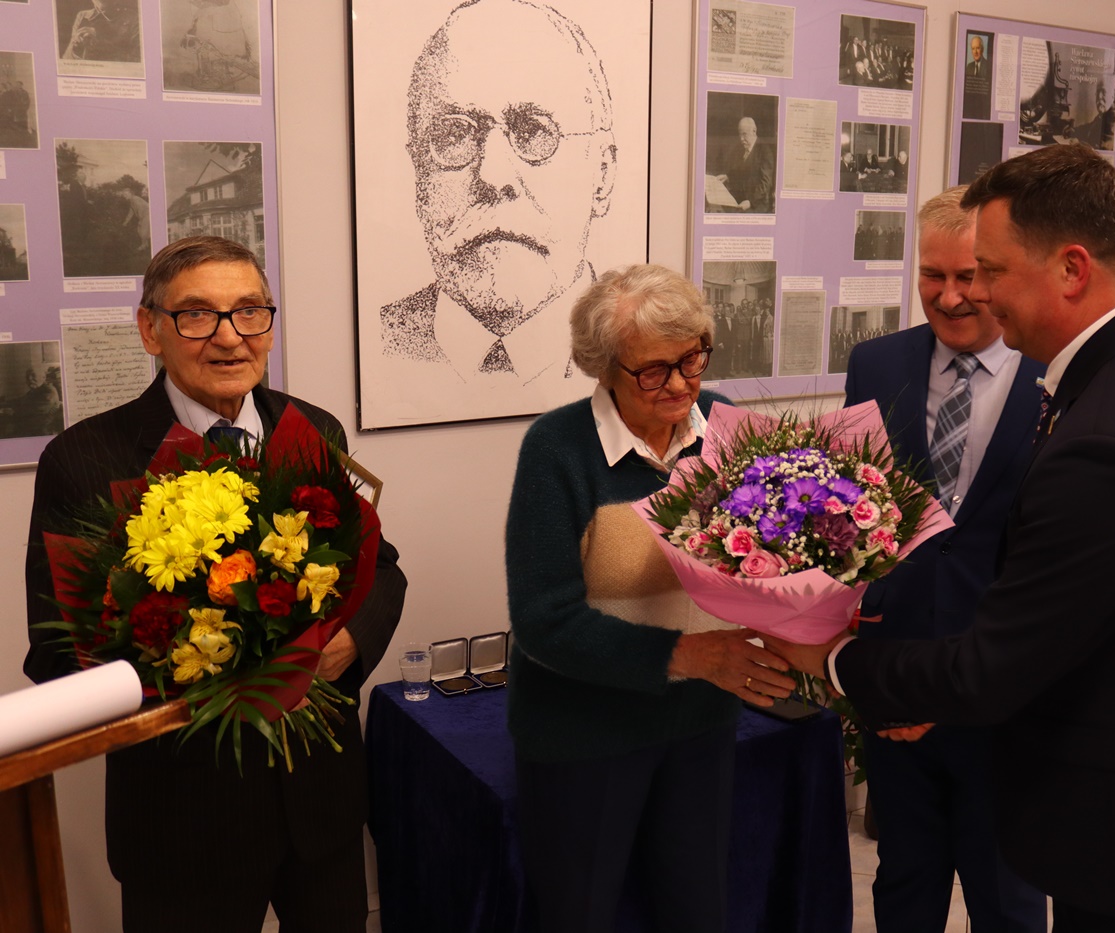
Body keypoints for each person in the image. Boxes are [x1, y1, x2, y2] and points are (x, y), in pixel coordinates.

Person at [766, 144, 1115, 931]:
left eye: (993, 271)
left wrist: (832, 660)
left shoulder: (1110, 433)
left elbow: (992, 668)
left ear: (1071, 268)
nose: (975, 294)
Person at [23, 236, 408, 933]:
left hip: (320, 806)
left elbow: (377, 566)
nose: (230, 337)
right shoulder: (82, 460)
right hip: (183, 824)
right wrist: (195, 664)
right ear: (151, 329)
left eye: (249, 312)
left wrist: (349, 642)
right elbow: (56, 651)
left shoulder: (311, 428)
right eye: (197, 315)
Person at [504, 264, 795, 933]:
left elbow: (766, 557)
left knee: (696, 909)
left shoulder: (725, 424)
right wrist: (686, 654)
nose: (682, 383)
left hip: (699, 721)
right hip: (584, 731)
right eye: (654, 370)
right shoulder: (558, 448)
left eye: (692, 358)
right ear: (605, 369)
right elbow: (544, 621)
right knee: (580, 915)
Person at [845, 186, 1047, 932]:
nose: (951, 295)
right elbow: (858, 527)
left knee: (1009, 898)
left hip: (1005, 700)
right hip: (899, 696)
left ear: (1000, 272)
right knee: (903, 883)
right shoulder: (875, 365)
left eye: (970, 276)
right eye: (933, 275)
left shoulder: (1053, 376)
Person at [379, 0, 618, 419]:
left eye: (533, 131)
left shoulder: (644, 357)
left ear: (602, 174)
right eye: (453, 134)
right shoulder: (380, 341)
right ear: (419, 173)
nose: (493, 175)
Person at [715, 116, 775, 213]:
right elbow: (741, 172)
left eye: (744, 134)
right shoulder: (741, 149)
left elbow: (765, 184)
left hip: (758, 204)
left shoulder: (765, 152)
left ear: (754, 131)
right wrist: (728, 176)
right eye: (740, 135)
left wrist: (751, 201)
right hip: (743, 199)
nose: (741, 139)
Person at [62, 0, 140, 61]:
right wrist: (77, 47)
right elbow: (66, 59)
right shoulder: (83, 15)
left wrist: (101, 45)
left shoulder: (134, 18)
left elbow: (137, 61)